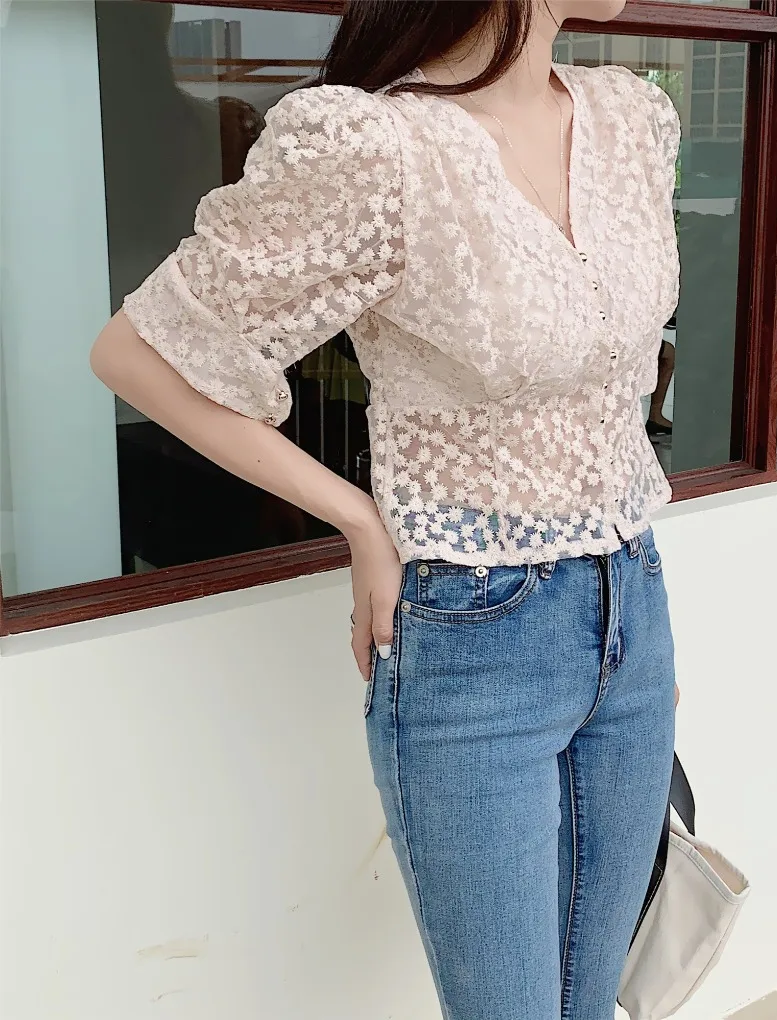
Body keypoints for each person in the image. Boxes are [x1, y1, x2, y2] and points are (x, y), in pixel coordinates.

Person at [91, 2, 681, 1016]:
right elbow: (140, 356)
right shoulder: (377, 148)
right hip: (475, 635)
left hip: (633, 607)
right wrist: (360, 519)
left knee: (592, 1003)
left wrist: (628, 629)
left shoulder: (629, 119)